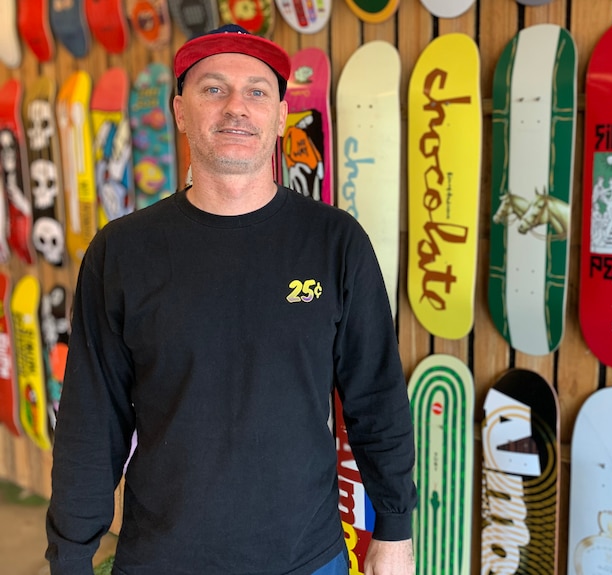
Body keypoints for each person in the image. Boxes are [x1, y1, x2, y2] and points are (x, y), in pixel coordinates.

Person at [45, 25, 417, 575]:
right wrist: (71, 557)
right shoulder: (121, 253)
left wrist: (394, 533)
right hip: (162, 560)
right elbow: (89, 425)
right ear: (179, 110)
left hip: (305, 559)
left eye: (257, 91)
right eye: (213, 89)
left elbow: (377, 398)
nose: (236, 107)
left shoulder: (335, 242)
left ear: (281, 116)